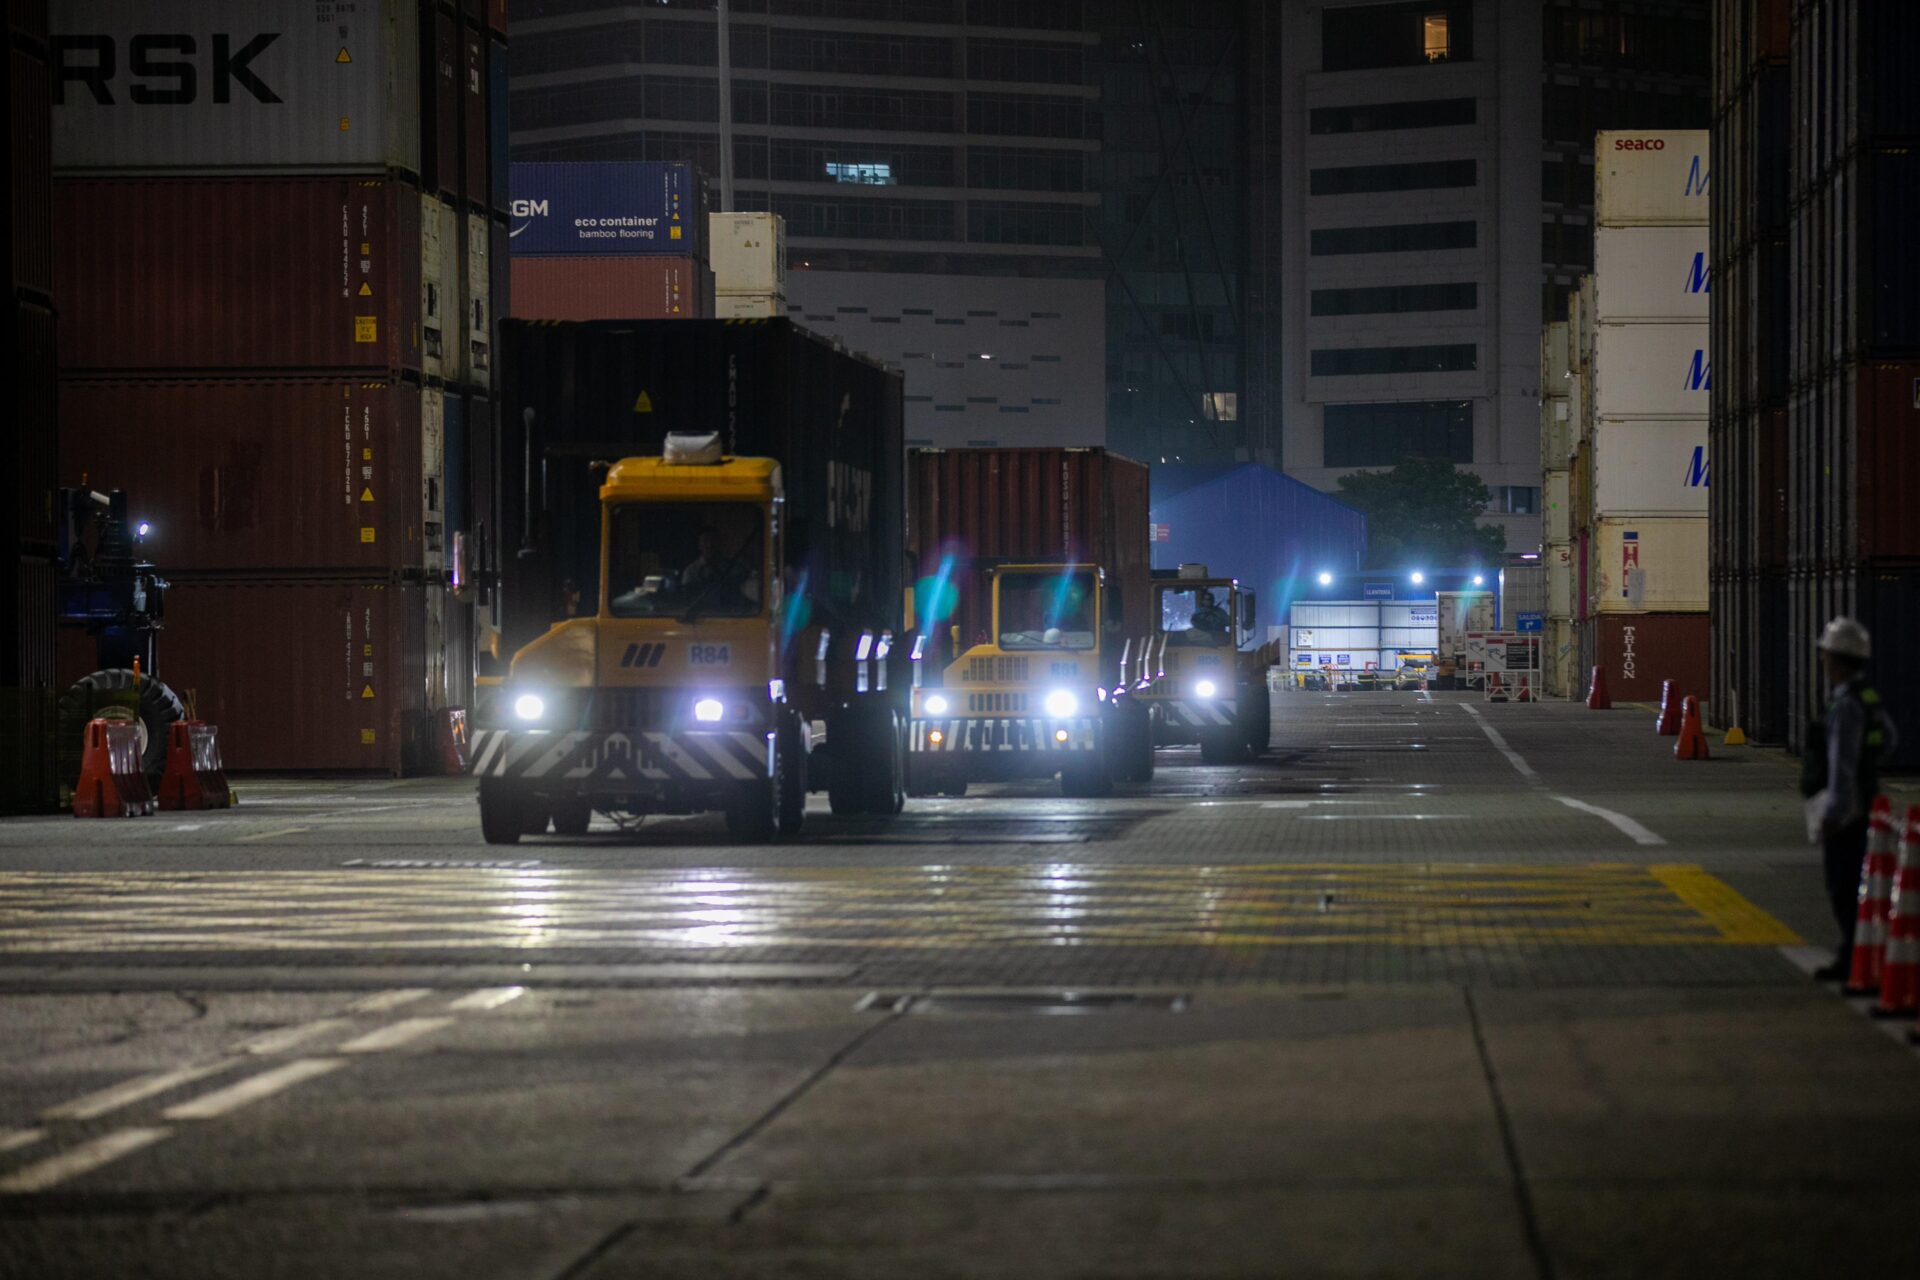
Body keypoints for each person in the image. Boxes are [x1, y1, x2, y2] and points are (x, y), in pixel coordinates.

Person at [1803, 617, 1898, 982]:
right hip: (1870, 805)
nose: (1823, 661)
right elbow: (1888, 741)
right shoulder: (1867, 697)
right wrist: (1868, 768)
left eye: (1825, 655)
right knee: (1863, 886)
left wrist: (1833, 813)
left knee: (1843, 887)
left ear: (1839, 660)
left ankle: (1853, 960)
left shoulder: (1844, 706)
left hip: (1848, 814)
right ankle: (1858, 955)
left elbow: (1840, 766)